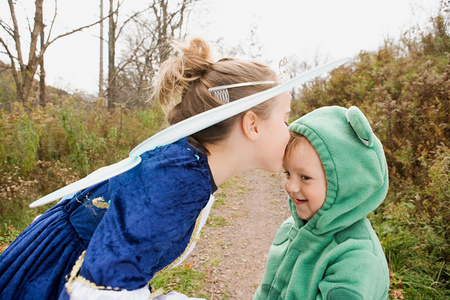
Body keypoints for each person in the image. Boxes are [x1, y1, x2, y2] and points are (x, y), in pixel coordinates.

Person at [0, 37, 292, 300]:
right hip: (51, 278)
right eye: (285, 118)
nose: (289, 130)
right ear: (252, 125)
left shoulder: (187, 165)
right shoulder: (178, 180)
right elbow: (101, 291)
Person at [253, 106, 390, 300]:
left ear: (344, 184)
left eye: (305, 177)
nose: (291, 186)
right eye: (288, 173)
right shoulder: (290, 229)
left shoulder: (356, 259)